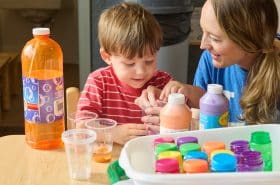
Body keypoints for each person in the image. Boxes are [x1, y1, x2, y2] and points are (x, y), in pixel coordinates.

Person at [135, 0, 280, 126]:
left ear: (249, 39)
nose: (203, 45)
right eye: (203, 32)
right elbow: (200, 116)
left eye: (215, 38)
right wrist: (175, 102)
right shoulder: (210, 60)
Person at [76, 2, 172, 144]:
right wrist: (112, 134)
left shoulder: (163, 83)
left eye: (149, 61)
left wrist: (168, 113)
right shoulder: (99, 82)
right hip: (112, 157)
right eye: (129, 63)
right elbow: (82, 126)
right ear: (107, 57)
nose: (141, 72)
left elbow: (187, 122)